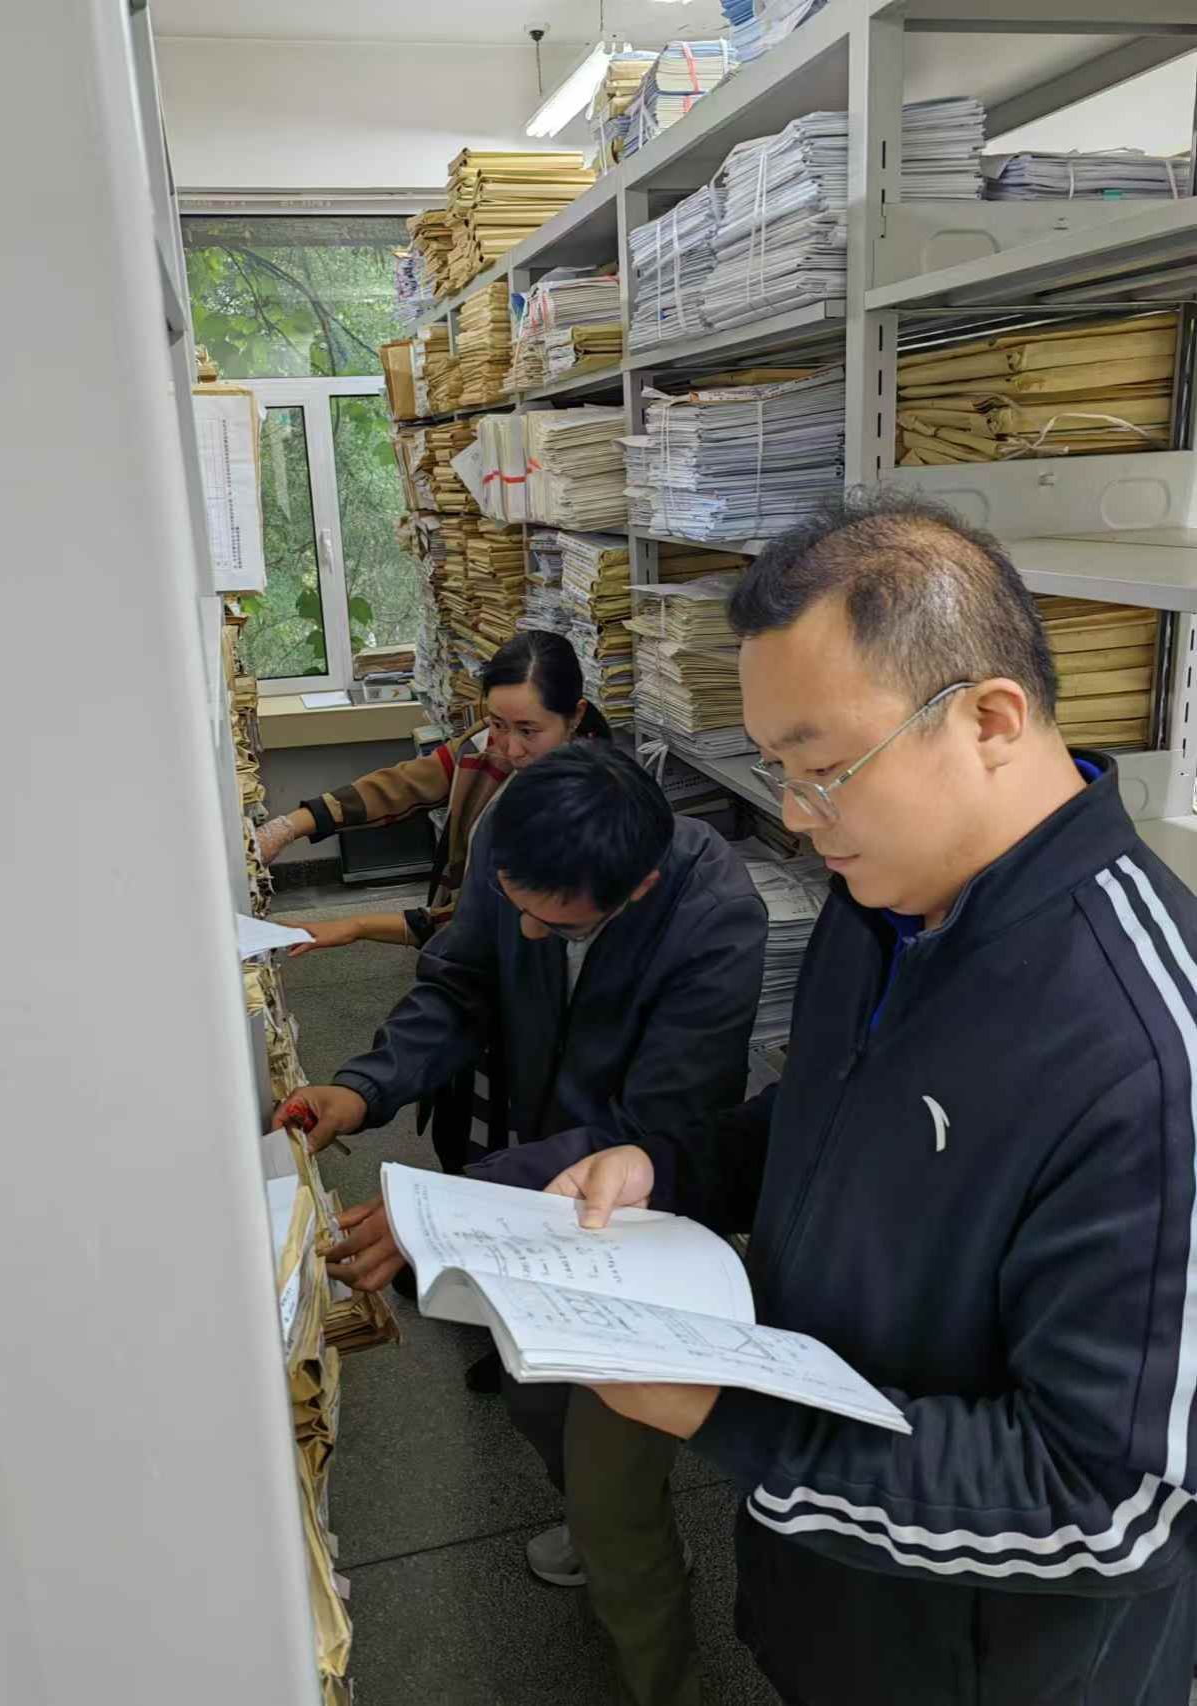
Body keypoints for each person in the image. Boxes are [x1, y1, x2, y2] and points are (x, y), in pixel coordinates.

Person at [540, 491, 1197, 1706]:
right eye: (778, 768)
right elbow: (832, 1126)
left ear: (990, 718)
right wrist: (670, 1168)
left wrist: (734, 1416)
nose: (796, 814)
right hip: (842, 1601)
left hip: (993, 1662)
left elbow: (1110, 1505)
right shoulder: (880, 902)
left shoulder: (1146, 1048)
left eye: (826, 767)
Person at [274, 742, 769, 1706]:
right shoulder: (514, 831)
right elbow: (458, 984)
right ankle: (594, 1524)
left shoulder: (714, 918)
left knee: (616, 1493)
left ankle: (667, 1673)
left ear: (638, 888)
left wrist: (453, 1217)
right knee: (535, 1396)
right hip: (530, 1193)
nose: (530, 933)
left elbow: (654, 1131)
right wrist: (364, 1088)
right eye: (517, 907)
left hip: (637, 1222)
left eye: (559, 923)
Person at [269, 630, 612, 1177]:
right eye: (497, 724)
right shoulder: (491, 749)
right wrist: (293, 824)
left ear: (575, 717)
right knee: (469, 1127)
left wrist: (357, 926)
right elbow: (410, 783)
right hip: (475, 994)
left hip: (538, 1030)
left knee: (529, 1150)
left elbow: (480, 936)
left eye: (529, 731)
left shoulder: (595, 816)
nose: (509, 748)